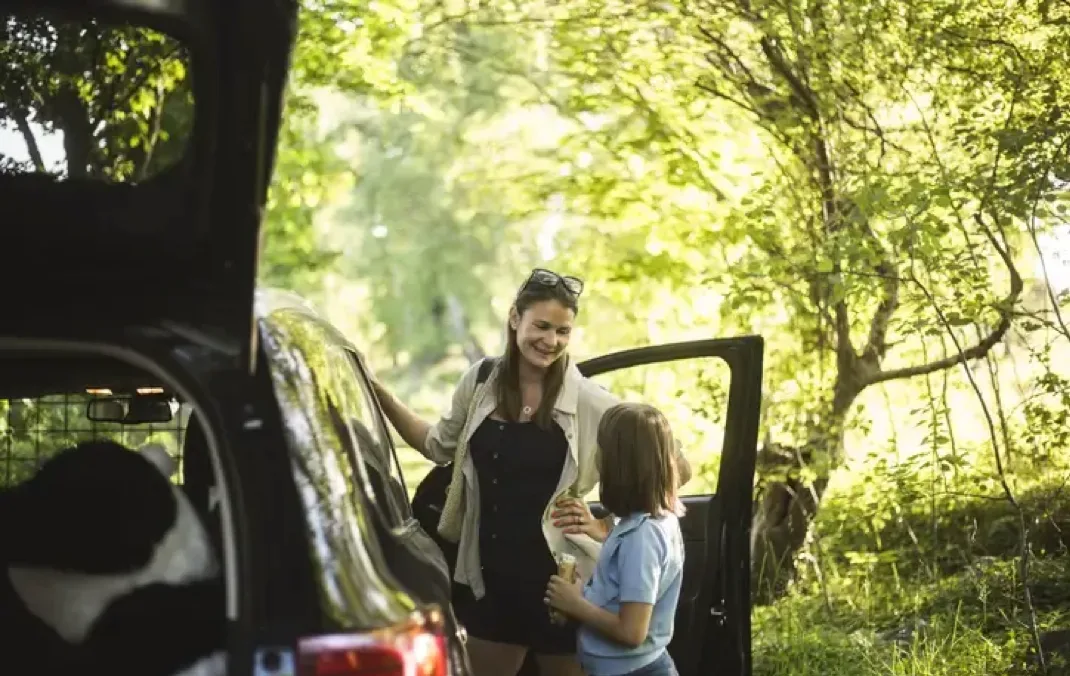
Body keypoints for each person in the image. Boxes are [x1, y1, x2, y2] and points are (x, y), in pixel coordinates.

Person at [368, 268, 691, 676]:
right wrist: (378, 392)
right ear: (514, 317)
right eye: (542, 326)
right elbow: (435, 445)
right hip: (489, 579)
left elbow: (671, 466)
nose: (551, 341)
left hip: (560, 585)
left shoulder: (588, 398)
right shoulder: (481, 381)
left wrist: (605, 524)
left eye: (563, 331)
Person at [544, 402, 685, 676]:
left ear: (619, 465)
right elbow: (619, 589)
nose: (597, 457)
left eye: (602, 449)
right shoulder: (648, 521)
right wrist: (584, 590)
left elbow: (632, 631)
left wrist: (575, 604)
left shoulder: (641, 538)